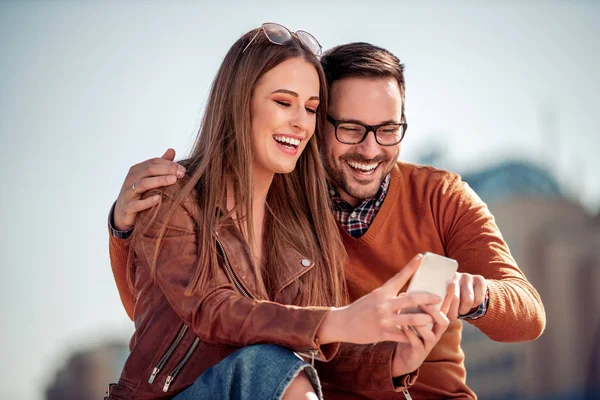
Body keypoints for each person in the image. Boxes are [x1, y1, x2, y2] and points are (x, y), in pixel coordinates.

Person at [108, 41, 546, 399]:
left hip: (417, 391)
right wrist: (123, 231)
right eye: (351, 129)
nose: (371, 150)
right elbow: (171, 311)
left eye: (388, 129)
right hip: (298, 388)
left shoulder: (440, 195)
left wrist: (479, 295)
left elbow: (528, 314)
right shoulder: (283, 205)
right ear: (322, 128)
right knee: (270, 364)